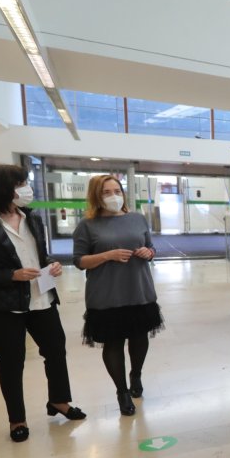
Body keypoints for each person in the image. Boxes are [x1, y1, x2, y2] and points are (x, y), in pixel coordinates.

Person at [0, 164, 86, 442]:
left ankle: (59, 401)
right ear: (0, 190)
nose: (26, 188)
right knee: (12, 363)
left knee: (56, 351)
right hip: (3, 307)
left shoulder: (31, 217)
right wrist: (11, 275)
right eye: (20, 183)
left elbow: (39, 255)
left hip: (42, 298)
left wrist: (51, 266)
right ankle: (17, 420)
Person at [72, 175, 162, 416]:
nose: (113, 196)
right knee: (113, 343)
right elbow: (79, 260)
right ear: (96, 197)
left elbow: (152, 247)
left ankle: (136, 375)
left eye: (116, 190)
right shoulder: (87, 226)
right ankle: (121, 391)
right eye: (106, 192)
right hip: (107, 294)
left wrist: (149, 252)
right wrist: (106, 256)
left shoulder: (137, 219)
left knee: (139, 337)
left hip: (139, 289)